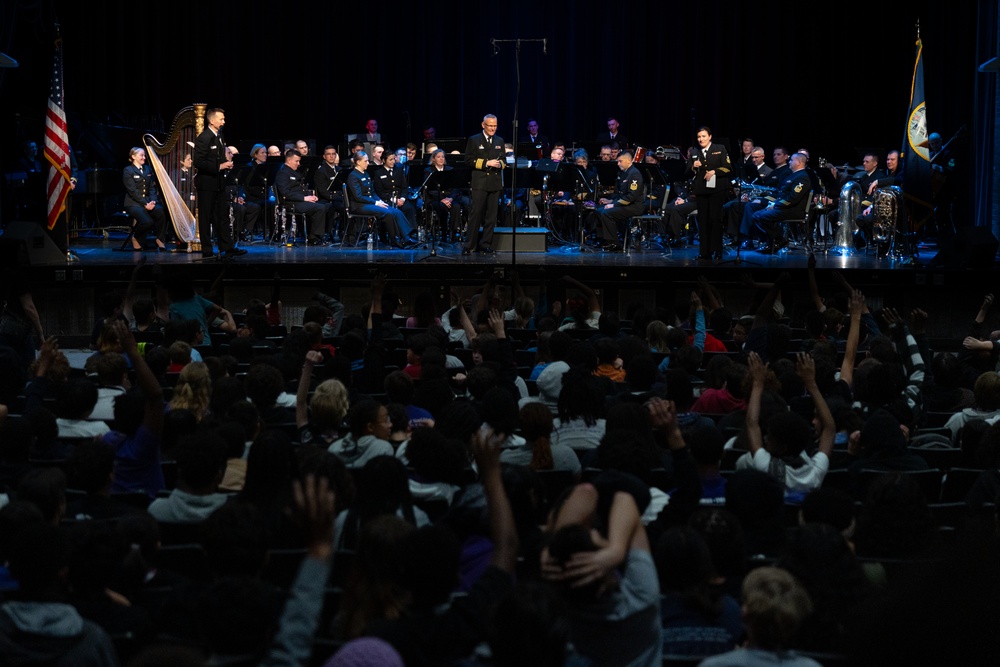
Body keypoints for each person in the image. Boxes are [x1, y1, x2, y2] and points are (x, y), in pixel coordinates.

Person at [193, 107, 245, 259]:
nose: (224, 121)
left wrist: (226, 163)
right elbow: (199, 162)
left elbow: (219, 156)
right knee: (205, 216)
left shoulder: (220, 136)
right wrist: (220, 166)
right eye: (221, 119)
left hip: (219, 183)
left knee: (222, 216)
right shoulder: (204, 137)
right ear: (212, 120)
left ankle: (227, 247)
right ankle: (207, 250)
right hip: (207, 184)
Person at [346, 152, 412, 247]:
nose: (368, 163)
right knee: (387, 212)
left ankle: (406, 237)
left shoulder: (365, 174)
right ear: (358, 162)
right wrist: (376, 202)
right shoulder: (353, 176)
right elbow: (358, 197)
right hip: (359, 205)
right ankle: (394, 239)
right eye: (365, 161)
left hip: (369, 203)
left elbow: (372, 192)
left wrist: (379, 200)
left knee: (396, 211)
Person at [687, 126, 733, 262]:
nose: (701, 139)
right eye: (699, 137)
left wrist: (715, 171)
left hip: (717, 190)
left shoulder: (719, 149)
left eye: (703, 136)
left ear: (710, 136)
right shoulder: (695, 151)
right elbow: (686, 173)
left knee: (715, 220)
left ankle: (717, 250)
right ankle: (704, 252)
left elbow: (728, 168)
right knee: (703, 221)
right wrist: (692, 167)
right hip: (701, 191)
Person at [752, 152, 811, 254]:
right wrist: (772, 203)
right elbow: (781, 194)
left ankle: (778, 241)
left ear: (798, 162)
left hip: (794, 209)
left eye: (792, 160)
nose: (789, 162)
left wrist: (776, 205)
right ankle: (772, 241)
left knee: (762, 216)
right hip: (785, 207)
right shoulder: (793, 176)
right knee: (757, 215)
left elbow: (793, 198)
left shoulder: (802, 177)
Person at [464, 114, 506, 255]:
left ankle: (486, 244)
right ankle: (470, 245)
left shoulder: (499, 140)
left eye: (495, 126)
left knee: (491, 217)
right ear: (483, 125)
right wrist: (486, 163)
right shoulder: (474, 140)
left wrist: (499, 164)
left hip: (494, 183)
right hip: (480, 182)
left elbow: (504, 161)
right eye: (490, 126)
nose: (493, 128)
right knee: (475, 214)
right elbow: (468, 160)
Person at [275, 149, 330, 245]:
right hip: (290, 203)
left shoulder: (295, 172)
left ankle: (325, 233)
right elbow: (285, 193)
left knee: (328, 206)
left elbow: (301, 189)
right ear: (289, 160)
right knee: (319, 208)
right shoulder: (283, 173)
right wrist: (304, 198)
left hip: (300, 201)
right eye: (296, 161)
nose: (298, 163)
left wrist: (310, 196)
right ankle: (314, 237)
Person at [594, 150, 644, 252]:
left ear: (628, 161)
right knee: (598, 210)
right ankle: (603, 239)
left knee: (606, 213)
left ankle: (614, 243)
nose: (618, 164)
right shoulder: (623, 173)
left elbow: (631, 197)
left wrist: (613, 205)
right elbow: (620, 194)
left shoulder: (634, 174)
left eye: (620, 161)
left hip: (634, 206)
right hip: (625, 204)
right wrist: (610, 201)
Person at [122, 147, 167, 251]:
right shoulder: (128, 170)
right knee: (148, 222)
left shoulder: (147, 169)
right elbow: (133, 191)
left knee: (161, 212)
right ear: (133, 157)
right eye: (141, 155)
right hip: (133, 203)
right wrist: (145, 204)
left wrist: (153, 201)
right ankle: (136, 237)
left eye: (144, 155)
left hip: (148, 202)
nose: (144, 157)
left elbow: (151, 187)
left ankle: (160, 239)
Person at [424, 149, 468, 243]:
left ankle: (453, 233)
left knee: (456, 207)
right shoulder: (429, 171)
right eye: (438, 157)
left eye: (443, 157)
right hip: (435, 199)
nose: (441, 159)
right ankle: (443, 232)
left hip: (449, 198)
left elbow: (455, 187)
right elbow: (430, 189)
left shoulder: (450, 170)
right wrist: (442, 199)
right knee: (442, 207)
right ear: (434, 159)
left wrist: (450, 198)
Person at [371, 151, 417, 235]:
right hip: (387, 199)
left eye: (394, 159)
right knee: (392, 211)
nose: (393, 161)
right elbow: (379, 191)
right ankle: (397, 234)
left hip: (400, 198)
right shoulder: (379, 173)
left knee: (409, 208)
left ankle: (411, 233)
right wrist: (394, 200)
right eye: (390, 159)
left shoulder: (398, 171)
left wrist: (402, 199)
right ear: (384, 160)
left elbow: (404, 187)